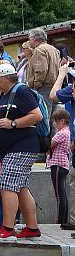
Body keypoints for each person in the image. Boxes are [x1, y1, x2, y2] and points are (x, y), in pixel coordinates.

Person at [0, 63, 42, 240]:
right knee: (21, 188)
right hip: (12, 149)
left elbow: (36, 115)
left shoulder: (21, 91)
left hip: (21, 147)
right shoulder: (6, 95)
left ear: (3, 78)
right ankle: (32, 228)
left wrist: (13, 124)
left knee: (7, 185)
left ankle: (7, 228)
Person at [50, 61, 75, 228]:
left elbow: (53, 95)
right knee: (71, 186)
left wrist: (61, 74)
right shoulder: (72, 89)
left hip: (62, 159)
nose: (72, 90)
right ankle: (72, 221)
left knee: (66, 190)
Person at [27, 28, 61, 116]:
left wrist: (36, 86)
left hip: (44, 87)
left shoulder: (39, 50)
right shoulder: (54, 49)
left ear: (35, 39)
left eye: (29, 38)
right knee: (53, 117)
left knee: (44, 116)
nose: (28, 40)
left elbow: (41, 70)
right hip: (55, 87)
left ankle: (45, 131)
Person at [47, 109, 71, 225]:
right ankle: (64, 220)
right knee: (62, 194)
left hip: (57, 164)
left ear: (62, 120)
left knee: (59, 195)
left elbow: (50, 144)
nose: (56, 125)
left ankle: (60, 220)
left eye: (57, 122)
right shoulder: (67, 131)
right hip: (63, 164)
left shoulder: (62, 133)